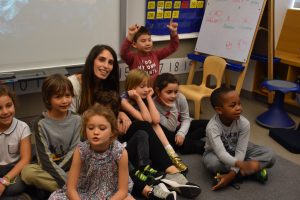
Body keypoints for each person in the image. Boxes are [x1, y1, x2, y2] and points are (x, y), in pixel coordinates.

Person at [95, 91, 202, 199]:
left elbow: (149, 120)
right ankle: (150, 189)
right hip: (112, 160)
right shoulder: (91, 125)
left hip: (124, 149)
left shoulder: (120, 108)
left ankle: (169, 172)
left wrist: (121, 114)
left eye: (112, 111)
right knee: (115, 154)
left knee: (143, 127)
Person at [49, 104, 134, 200]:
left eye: (102, 128)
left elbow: (123, 190)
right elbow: (71, 188)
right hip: (84, 191)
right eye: (90, 128)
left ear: (112, 132)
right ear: (85, 131)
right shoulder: (81, 150)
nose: (96, 132)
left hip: (113, 193)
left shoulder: (120, 152)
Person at [203, 87, 276, 191]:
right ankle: (251, 172)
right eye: (233, 105)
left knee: (271, 155)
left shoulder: (244, 123)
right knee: (212, 164)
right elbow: (221, 153)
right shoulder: (212, 127)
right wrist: (242, 165)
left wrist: (232, 174)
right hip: (215, 154)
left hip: (237, 153)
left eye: (239, 104)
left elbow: (241, 150)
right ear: (219, 110)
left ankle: (229, 176)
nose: (239, 108)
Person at [21, 74, 81, 193]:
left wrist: (62, 174)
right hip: (48, 167)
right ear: (48, 99)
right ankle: (74, 190)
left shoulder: (77, 119)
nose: (64, 101)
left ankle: (64, 189)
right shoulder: (40, 123)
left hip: (70, 166)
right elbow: (44, 159)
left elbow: (75, 151)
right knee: (27, 172)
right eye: (58, 97)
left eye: (68, 96)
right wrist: (67, 183)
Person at [120, 69, 188, 173]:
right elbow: (146, 121)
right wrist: (138, 99)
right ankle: (167, 162)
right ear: (132, 87)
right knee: (147, 125)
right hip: (126, 135)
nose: (146, 89)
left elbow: (155, 120)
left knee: (155, 125)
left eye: (147, 86)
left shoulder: (143, 96)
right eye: (142, 86)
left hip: (141, 130)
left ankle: (172, 154)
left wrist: (148, 97)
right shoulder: (124, 100)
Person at [68, 44, 131, 134]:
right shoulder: (72, 84)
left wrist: (119, 113)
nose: (106, 66)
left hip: (103, 131)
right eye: (101, 60)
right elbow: (70, 123)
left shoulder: (107, 82)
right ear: (91, 61)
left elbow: (108, 108)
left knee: (141, 128)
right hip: (81, 135)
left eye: (110, 62)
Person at [153, 73, 209, 154]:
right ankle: (188, 144)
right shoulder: (154, 105)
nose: (173, 95)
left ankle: (185, 142)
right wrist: (172, 107)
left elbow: (186, 119)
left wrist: (182, 133)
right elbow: (171, 128)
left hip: (182, 126)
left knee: (209, 124)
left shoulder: (180, 97)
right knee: (195, 145)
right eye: (169, 92)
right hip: (171, 132)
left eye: (176, 92)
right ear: (158, 91)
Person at [120, 21, 179, 86]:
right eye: (143, 41)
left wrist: (174, 32)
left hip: (154, 92)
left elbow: (173, 47)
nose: (148, 43)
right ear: (134, 44)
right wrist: (130, 35)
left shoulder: (156, 55)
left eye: (149, 40)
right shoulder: (132, 58)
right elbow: (123, 52)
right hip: (138, 93)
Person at [0, 85, 31, 199]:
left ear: (14, 104)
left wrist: (4, 181)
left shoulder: (22, 128)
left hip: (14, 169)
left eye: (9, 106)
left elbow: (25, 160)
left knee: (15, 187)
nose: (5, 112)